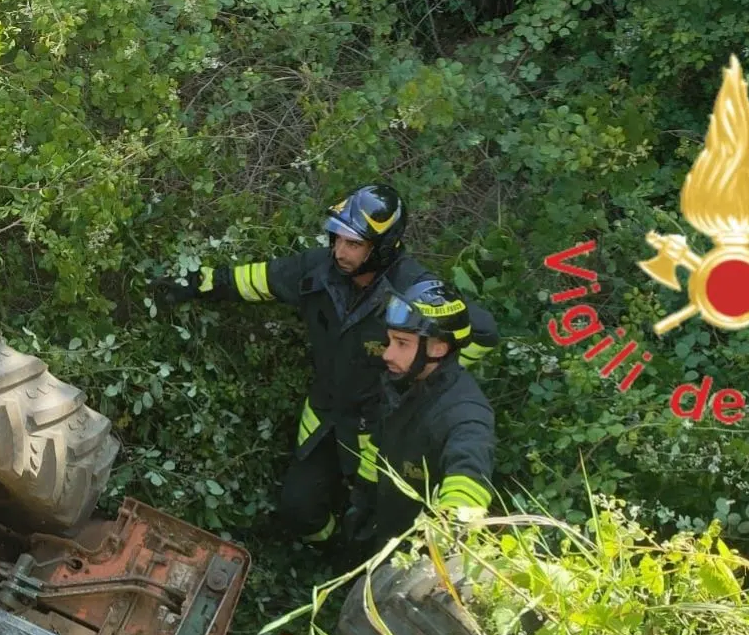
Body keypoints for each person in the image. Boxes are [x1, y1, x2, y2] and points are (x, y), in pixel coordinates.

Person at [155, 184, 496, 543]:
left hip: (379, 430)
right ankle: (329, 547)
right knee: (298, 508)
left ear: (381, 248)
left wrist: (424, 382)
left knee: (371, 516)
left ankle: (352, 552)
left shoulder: (416, 291)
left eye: (353, 244)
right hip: (325, 414)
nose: (339, 251)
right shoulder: (319, 270)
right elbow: (257, 279)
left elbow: (482, 333)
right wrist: (195, 284)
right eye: (337, 239)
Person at [360, 275, 496, 544]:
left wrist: (444, 538)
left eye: (402, 343)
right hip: (383, 535)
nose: (387, 354)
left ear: (438, 348)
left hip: (421, 567)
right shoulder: (404, 382)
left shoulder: (466, 412)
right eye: (390, 341)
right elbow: (378, 449)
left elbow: (469, 480)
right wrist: (361, 503)